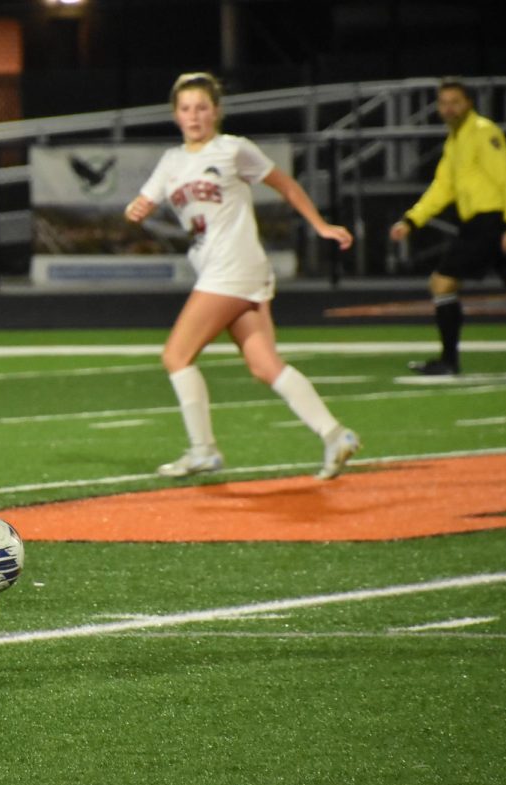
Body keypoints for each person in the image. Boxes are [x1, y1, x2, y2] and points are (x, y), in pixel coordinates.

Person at [124, 72, 361, 480]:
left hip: (232, 265)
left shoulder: (233, 150)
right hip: (226, 268)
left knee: (176, 356)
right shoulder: (173, 161)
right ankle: (335, 434)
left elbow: (285, 184)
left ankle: (203, 450)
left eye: (202, 107)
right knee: (264, 365)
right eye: (185, 109)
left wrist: (320, 226)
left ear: (216, 111)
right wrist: (138, 208)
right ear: (175, 115)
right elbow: (145, 199)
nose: (194, 116)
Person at [389, 77, 506, 376]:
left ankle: (448, 361)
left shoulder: (483, 132)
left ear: (469, 103)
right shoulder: (455, 141)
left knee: (442, 284)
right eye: (443, 103)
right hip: (487, 223)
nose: (449, 109)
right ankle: (448, 360)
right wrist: (412, 219)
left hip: (490, 222)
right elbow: (442, 188)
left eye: (455, 102)